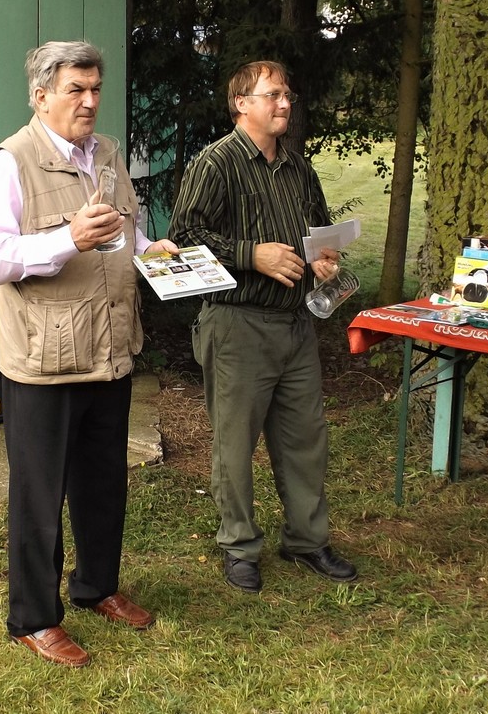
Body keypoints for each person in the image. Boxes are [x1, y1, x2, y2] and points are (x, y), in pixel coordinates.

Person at [0, 41, 179, 668]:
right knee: (39, 496)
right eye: (75, 90)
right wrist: (67, 239)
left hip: (109, 348)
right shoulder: (11, 163)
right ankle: (34, 618)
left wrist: (152, 250)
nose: (90, 102)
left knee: (102, 482)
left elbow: (124, 232)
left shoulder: (107, 154)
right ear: (41, 96)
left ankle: (97, 587)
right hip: (43, 359)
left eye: (95, 89)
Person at [167, 59, 357, 594]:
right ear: (241, 104)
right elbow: (183, 236)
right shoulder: (216, 163)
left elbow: (319, 233)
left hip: (296, 325)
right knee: (235, 447)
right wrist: (252, 254)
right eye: (273, 94)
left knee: (305, 440)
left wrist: (324, 260)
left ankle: (306, 540)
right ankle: (239, 546)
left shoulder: (298, 168)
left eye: (287, 94)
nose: (285, 103)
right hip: (238, 325)